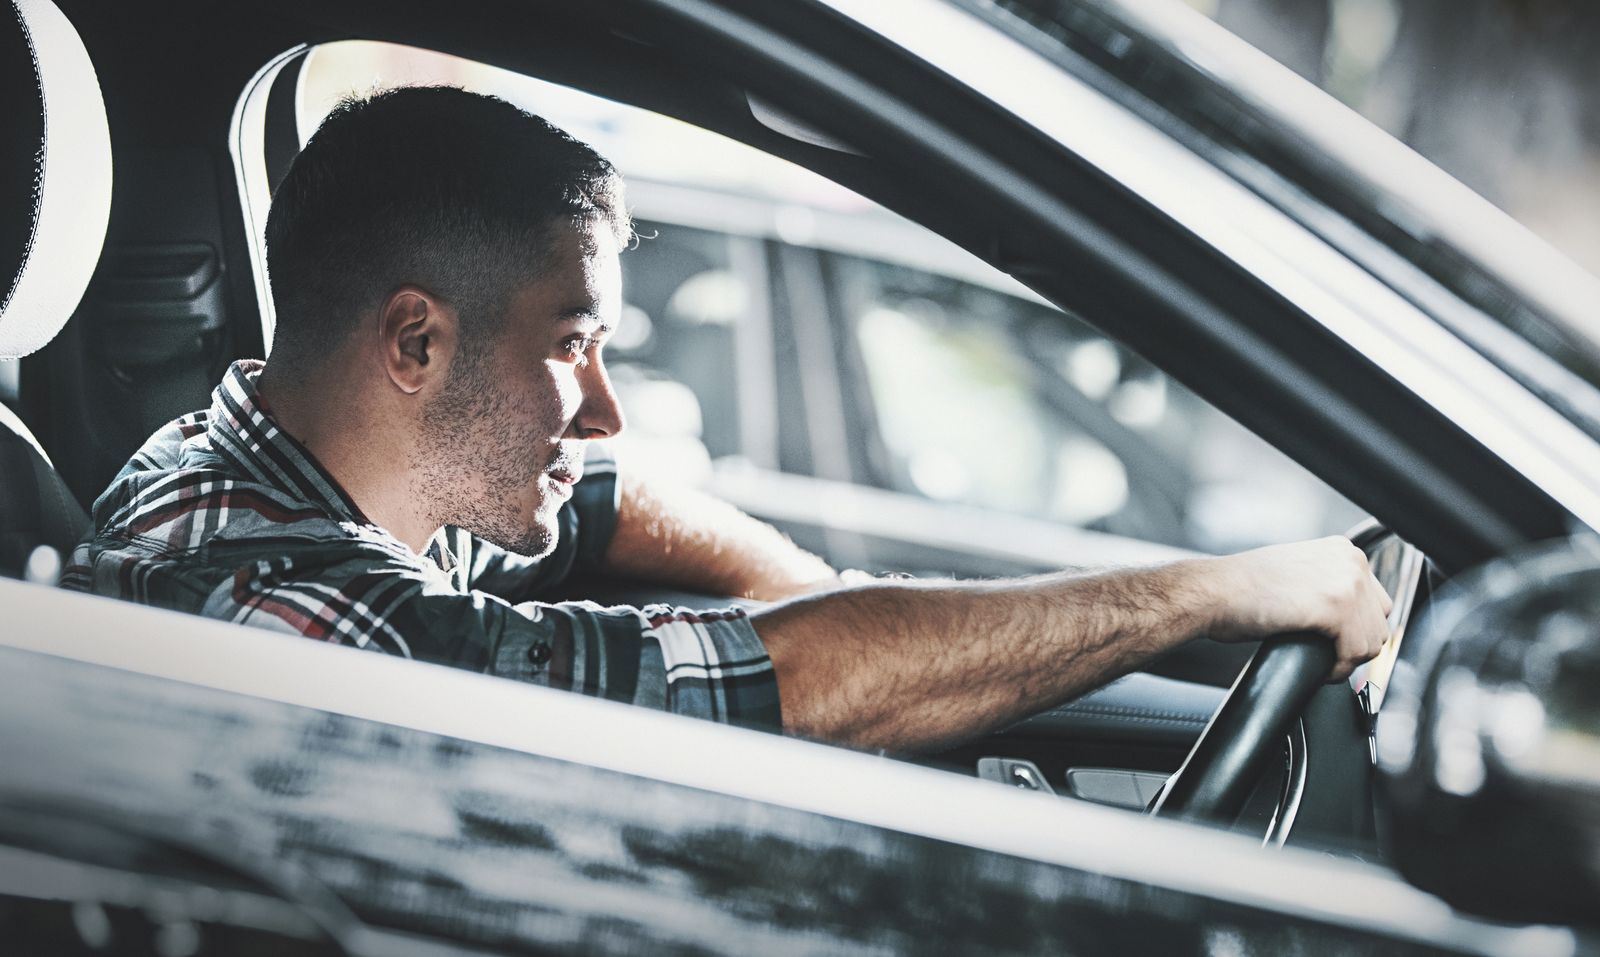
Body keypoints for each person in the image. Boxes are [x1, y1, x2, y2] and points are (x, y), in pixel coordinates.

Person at [65, 87, 1391, 753]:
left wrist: (822, 590)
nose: (602, 404)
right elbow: (793, 683)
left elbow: (614, 495)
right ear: (416, 341)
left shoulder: (296, 458)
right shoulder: (287, 614)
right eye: (573, 344)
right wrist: (1224, 591)